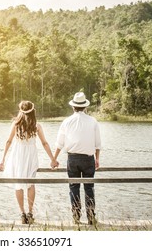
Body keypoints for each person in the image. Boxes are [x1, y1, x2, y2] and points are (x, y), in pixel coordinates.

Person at [0, 100, 56, 224]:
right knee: (30, 183)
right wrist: (52, 159)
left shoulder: (16, 124)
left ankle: (22, 213)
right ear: (33, 111)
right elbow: (44, 143)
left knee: (18, 184)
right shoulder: (36, 125)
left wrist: (3, 159)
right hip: (31, 155)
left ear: (21, 111)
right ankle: (30, 213)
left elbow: (8, 141)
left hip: (17, 155)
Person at [51, 92, 101, 225]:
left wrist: (53, 159)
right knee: (89, 188)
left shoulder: (66, 121)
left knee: (74, 187)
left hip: (72, 159)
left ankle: (76, 217)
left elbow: (59, 143)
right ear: (85, 107)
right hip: (88, 159)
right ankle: (91, 217)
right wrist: (97, 159)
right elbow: (97, 144)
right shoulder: (93, 121)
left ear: (73, 107)